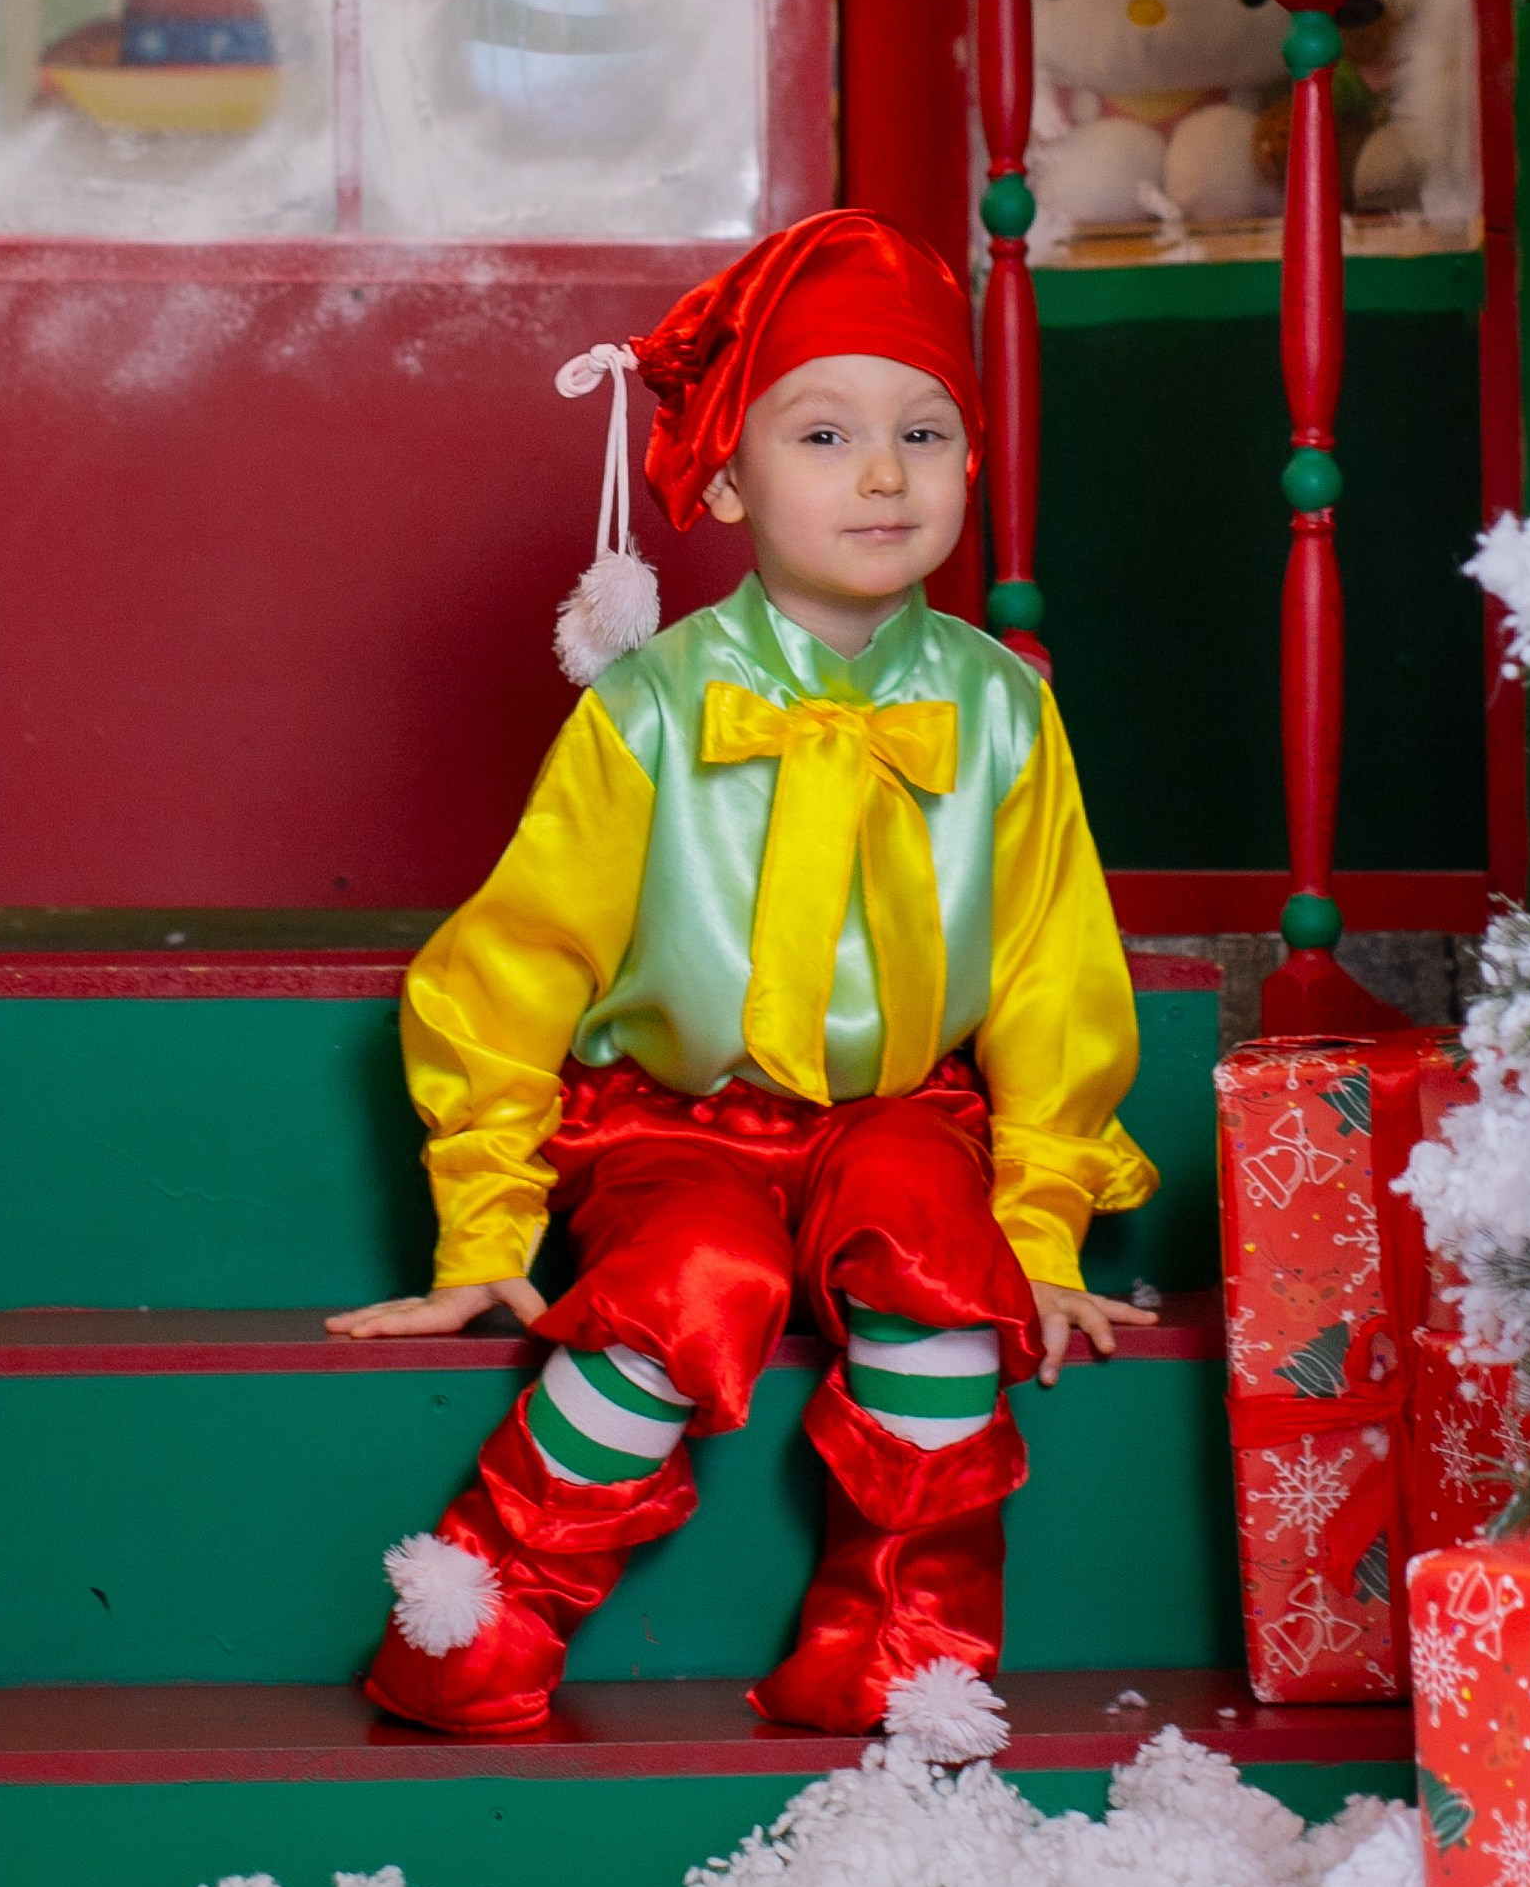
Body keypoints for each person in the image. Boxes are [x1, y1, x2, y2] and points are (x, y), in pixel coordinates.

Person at [329, 208, 1156, 1741]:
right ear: (723, 478)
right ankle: (491, 1597)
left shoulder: (1000, 712)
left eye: (926, 432)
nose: (887, 474)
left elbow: (1055, 968)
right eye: (827, 433)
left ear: (972, 468)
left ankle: (907, 1635)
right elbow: (515, 962)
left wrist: (1042, 1225)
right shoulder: (649, 710)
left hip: (905, 1110)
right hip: (672, 1122)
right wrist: (485, 1222)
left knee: (933, 1247)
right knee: (694, 1277)